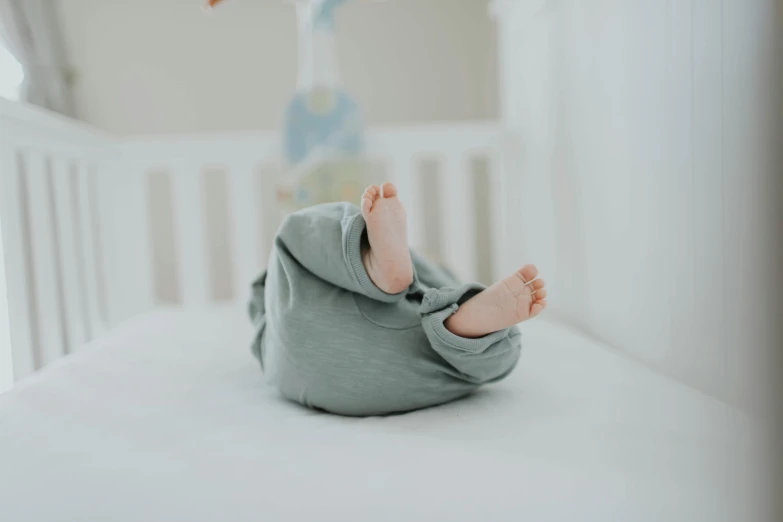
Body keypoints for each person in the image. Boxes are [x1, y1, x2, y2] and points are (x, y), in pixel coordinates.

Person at [248, 183, 547, 416]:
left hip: (302, 368)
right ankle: (462, 332)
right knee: (500, 350)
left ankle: (365, 260)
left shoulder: (275, 314)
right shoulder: (442, 285)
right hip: (406, 369)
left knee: (297, 234)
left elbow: (260, 297)